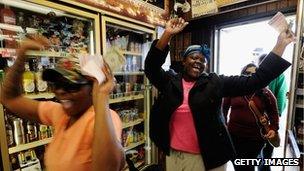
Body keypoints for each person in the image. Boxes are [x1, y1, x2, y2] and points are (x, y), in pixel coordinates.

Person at [144, 17, 293, 171]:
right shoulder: (169, 81)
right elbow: (151, 67)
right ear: (183, 61)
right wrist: (167, 33)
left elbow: (254, 82)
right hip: (174, 154)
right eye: (194, 57)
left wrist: (280, 44)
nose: (198, 62)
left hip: (210, 157)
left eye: (203, 61)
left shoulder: (214, 83)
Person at [0, 36, 125, 171]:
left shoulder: (104, 119)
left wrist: (101, 97)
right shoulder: (59, 113)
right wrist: (21, 54)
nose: (60, 91)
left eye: (70, 85)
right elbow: (9, 98)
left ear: (92, 88)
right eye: (56, 84)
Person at [222, 63, 279, 171]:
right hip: (234, 136)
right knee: (237, 164)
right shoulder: (233, 90)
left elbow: (274, 113)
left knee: (248, 166)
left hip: (255, 138)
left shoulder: (265, 93)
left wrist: (273, 128)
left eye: (254, 74)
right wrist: (224, 125)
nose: (250, 76)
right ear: (242, 74)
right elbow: (223, 108)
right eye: (247, 73)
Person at [258, 54, 288, 171]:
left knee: (267, 146)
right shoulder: (257, 75)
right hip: (256, 116)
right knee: (260, 145)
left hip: (268, 117)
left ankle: (264, 166)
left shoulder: (279, 75)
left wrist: (276, 116)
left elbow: (281, 96)